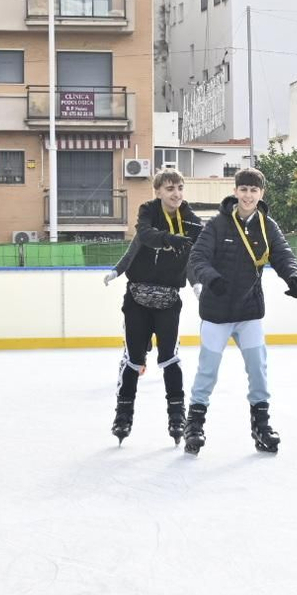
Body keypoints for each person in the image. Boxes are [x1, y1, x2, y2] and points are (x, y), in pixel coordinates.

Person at [184, 168, 297, 455]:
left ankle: (261, 425)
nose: (248, 195)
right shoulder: (216, 225)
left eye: (254, 190)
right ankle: (195, 425)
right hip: (216, 311)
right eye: (244, 189)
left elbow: (283, 253)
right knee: (207, 371)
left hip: (249, 311)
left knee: (258, 370)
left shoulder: (267, 225)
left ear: (261, 193)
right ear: (235, 191)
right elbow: (197, 257)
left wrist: (293, 276)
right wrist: (210, 277)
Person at [103, 170, 202, 443]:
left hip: (169, 301)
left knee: (170, 358)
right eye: (170, 188)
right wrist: (171, 239)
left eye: (180, 188)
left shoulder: (189, 219)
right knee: (134, 359)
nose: (176, 194)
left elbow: (200, 247)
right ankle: (123, 416)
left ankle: (177, 416)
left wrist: (198, 281)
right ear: (158, 191)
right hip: (137, 301)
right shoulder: (147, 210)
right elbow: (144, 236)